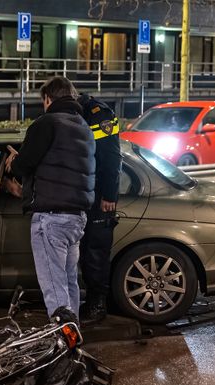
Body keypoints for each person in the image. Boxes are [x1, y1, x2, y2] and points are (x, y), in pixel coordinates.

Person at [4, 76, 96, 322]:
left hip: (51, 220)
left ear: (48, 98)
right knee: (68, 282)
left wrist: (14, 162)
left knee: (55, 289)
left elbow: (26, 164)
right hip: (76, 218)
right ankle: (73, 337)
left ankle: (64, 345)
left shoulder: (46, 123)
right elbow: (60, 168)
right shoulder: (83, 126)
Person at [76, 94, 122, 323]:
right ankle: (92, 303)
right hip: (89, 194)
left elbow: (112, 157)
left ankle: (98, 307)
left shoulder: (99, 114)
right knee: (87, 254)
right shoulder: (82, 112)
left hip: (100, 198)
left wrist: (109, 195)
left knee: (95, 254)